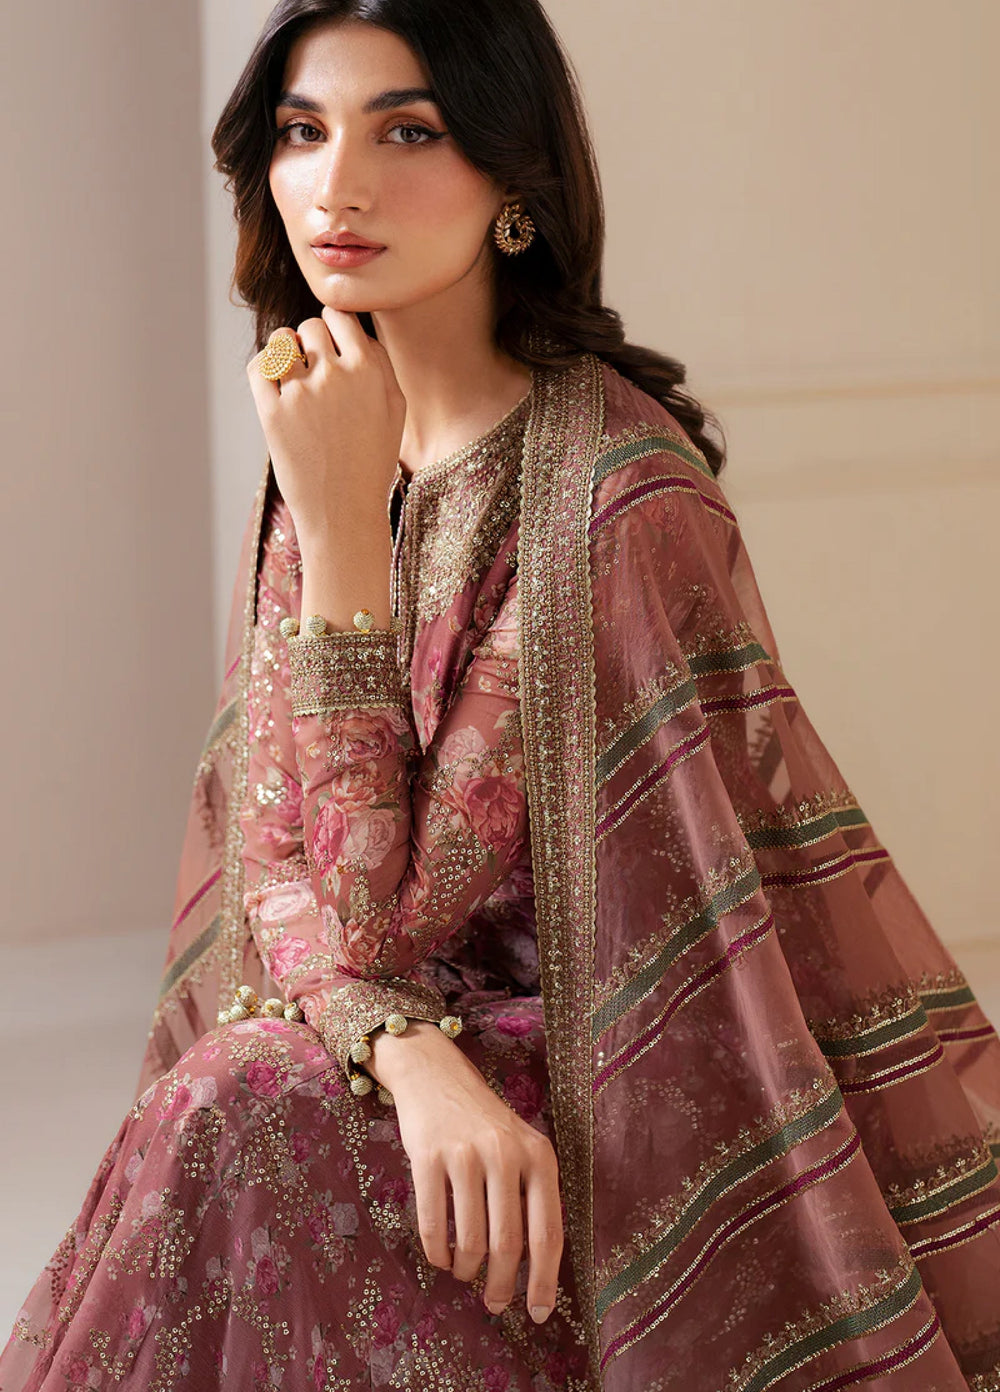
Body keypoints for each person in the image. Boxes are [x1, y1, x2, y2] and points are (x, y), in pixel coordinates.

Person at [4, 0, 1000, 1388]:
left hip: (594, 1088)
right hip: (400, 1060)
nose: (337, 185)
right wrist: (403, 1052)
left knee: (240, 1098)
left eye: (407, 131)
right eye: (302, 131)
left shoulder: (613, 499)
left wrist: (343, 540)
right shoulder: (332, 430)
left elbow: (387, 912)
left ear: (512, 180)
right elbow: (278, 862)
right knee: (236, 1097)